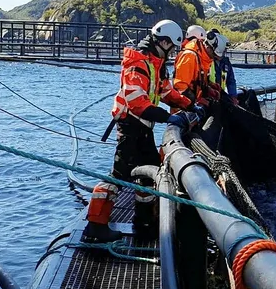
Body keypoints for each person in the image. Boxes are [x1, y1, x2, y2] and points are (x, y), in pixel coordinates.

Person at [84, 19, 203, 243]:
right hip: (130, 126)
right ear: (165, 41)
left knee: (150, 173)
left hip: (144, 127)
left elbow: (166, 91)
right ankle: (96, 226)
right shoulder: (138, 63)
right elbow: (137, 102)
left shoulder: (156, 63)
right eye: (171, 46)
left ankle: (144, 221)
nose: (172, 51)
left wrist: (187, 104)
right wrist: (169, 117)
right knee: (118, 176)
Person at [173, 25, 221, 107]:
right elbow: (181, 86)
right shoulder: (190, 55)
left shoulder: (201, 57)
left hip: (192, 106)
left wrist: (209, 88)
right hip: (184, 108)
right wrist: (196, 101)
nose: (204, 43)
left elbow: (198, 81)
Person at [208, 29, 237, 99]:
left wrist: (233, 97)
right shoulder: (206, 60)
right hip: (209, 97)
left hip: (221, 96)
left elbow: (231, 81)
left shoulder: (226, 62)